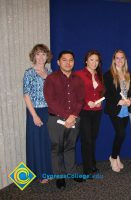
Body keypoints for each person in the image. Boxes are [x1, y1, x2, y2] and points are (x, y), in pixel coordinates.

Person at [44, 50, 85, 189]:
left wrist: (73, 116)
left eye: (71, 60)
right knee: (57, 149)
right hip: (56, 120)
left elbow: (80, 99)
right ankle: (59, 177)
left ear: (74, 62)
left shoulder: (78, 79)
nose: (68, 63)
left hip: (74, 119)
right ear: (58, 62)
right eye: (64, 60)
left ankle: (72, 173)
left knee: (70, 147)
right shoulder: (51, 78)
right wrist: (66, 116)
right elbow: (51, 100)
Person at [23, 44, 53, 184]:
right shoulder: (29, 72)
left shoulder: (50, 71)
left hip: (49, 111)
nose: (41, 57)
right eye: (38, 54)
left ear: (47, 56)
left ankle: (48, 170)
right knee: (37, 143)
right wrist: (34, 115)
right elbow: (26, 95)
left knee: (47, 142)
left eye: (43, 54)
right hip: (35, 111)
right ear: (33, 56)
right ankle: (40, 174)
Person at [76, 50, 105, 176]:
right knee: (86, 140)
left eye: (97, 60)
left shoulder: (99, 75)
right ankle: (87, 169)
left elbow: (101, 91)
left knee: (93, 139)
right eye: (91, 59)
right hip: (84, 111)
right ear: (86, 61)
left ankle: (92, 165)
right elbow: (76, 93)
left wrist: (100, 101)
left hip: (97, 112)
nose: (94, 62)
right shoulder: (78, 74)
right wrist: (86, 102)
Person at [104, 50, 131, 172]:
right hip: (115, 108)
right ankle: (113, 157)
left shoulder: (127, 74)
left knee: (120, 135)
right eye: (117, 58)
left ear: (125, 60)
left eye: (122, 58)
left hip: (126, 108)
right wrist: (118, 101)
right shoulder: (108, 74)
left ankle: (117, 155)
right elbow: (107, 93)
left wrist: (129, 99)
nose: (120, 60)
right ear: (114, 60)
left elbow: (130, 92)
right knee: (121, 133)